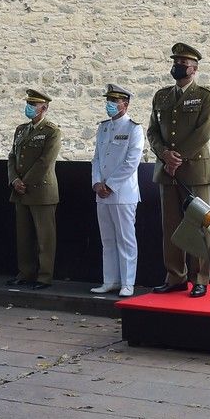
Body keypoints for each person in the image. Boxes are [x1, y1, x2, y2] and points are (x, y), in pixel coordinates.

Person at [148, 42, 210, 298]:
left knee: (199, 225)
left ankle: (200, 277)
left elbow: (203, 132)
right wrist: (164, 154)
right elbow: (153, 131)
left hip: (194, 171)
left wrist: (178, 157)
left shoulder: (205, 96)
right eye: (175, 63)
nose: (177, 67)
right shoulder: (161, 96)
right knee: (171, 226)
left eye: (182, 64)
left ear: (194, 69)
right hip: (167, 171)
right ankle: (175, 276)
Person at [90, 83, 143, 297]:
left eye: (114, 101)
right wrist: (96, 183)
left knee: (125, 239)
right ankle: (110, 280)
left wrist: (110, 185)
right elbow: (96, 158)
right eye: (108, 101)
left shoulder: (133, 128)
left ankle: (128, 282)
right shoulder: (103, 127)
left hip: (122, 193)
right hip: (101, 194)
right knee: (108, 240)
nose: (109, 105)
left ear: (125, 104)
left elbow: (132, 162)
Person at [6, 89, 61, 290]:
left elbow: (45, 161)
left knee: (44, 237)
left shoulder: (51, 131)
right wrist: (14, 180)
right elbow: (12, 157)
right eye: (28, 104)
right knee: (24, 235)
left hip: (41, 190)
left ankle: (44, 276)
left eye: (33, 105)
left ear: (44, 108)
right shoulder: (21, 130)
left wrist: (25, 182)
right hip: (20, 190)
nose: (28, 108)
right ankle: (26, 272)